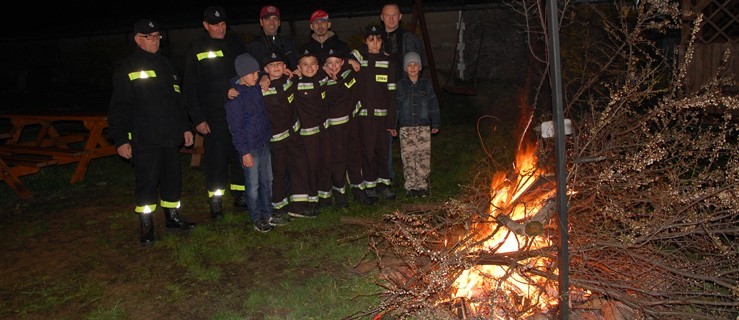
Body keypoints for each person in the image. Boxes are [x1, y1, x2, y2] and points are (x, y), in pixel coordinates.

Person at [108, 18, 195, 246]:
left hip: (170, 137)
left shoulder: (167, 65)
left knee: (172, 179)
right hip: (144, 138)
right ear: (138, 39)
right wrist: (120, 138)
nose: (155, 40)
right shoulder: (127, 67)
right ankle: (146, 226)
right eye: (149, 37)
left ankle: (173, 218)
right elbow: (119, 107)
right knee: (146, 183)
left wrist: (185, 126)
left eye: (157, 36)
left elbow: (179, 101)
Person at [183, 5, 248, 221]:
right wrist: (198, 118)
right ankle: (216, 200)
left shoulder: (236, 43)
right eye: (214, 24)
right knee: (217, 160)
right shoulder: (197, 49)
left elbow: (249, 73)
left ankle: (240, 195)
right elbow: (190, 87)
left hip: (238, 113)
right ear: (205, 25)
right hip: (214, 116)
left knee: (239, 155)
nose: (220, 28)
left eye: (222, 24)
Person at [225, 53, 275, 233]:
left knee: (267, 181)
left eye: (257, 72)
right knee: (253, 185)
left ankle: (268, 212)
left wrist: (263, 77)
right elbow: (236, 129)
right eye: (253, 73)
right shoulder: (235, 99)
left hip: (263, 143)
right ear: (242, 74)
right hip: (249, 148)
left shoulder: (255, 87)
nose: (256, 76)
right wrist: (244, 152)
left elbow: (262, 79)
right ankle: (257, 218)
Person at [349, 25, 397, 202]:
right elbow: (344, 59)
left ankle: (384, 185)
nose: (375, 43)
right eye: (371, 40)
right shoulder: (359, 59)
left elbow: (392, 94)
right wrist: (351, 59)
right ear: (365, 42)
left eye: (378, 39)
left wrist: (391, 121)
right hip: (364, 118)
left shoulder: (388, 61)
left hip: (383, 118)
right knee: (367, 152)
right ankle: (370, 186)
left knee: (383, 151)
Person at [260, 51, 310, 221]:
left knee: (300, 167)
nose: (276, 67)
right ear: (265, 68)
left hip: (294, 136)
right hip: (277, 141)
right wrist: (262, 78)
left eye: (280, 64)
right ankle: (279, 208)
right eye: (272, 65)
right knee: (279, 174)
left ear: (285, 67)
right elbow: (241, 83)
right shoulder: (261, 88)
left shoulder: (289, 81)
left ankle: (299, 206)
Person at [380, 2, 423, 182]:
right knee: (386, 135)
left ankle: (415, 177)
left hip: (405, 93)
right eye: (387, 15)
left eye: (394, 15)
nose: (390, 18)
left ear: (400, 17)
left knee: (411, 136)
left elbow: (416, 68)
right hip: (383, 94)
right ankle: (387, 174)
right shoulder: (376, 39)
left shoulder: (409, 39)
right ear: (382, 17)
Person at [322, 48, 365, 206]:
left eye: (337, 62)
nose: (334, 66)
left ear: (342, 62)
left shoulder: (349, 71)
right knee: (339, 160)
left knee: (354, 156)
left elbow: (359, 52)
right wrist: (322, 69)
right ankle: (340, 193)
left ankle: (358, 189)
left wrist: (348, 60)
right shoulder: (323, 79)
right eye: (329, 63)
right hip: (335, 128)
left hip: (352, 124)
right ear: (325, 65)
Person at [287, 49, 328, 216]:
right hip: (306, 135)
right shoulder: (294, 83)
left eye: (313, 64)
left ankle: (324, 196)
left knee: (323, 164)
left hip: (323, 132)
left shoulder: (323, 78)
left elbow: (342, 64)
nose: (309, 68)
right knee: (310, 167)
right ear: (298, 67)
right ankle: (311, 200)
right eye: (305, 65)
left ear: (318, 66)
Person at [396, 52, 440, 197]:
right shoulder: (401, 86)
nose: (413, 67)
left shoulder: (426, 85)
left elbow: (433, 104)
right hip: (406, 128)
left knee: (423, 157)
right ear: (405, 68)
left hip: (423, 128)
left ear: (420, 67)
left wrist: (436, 122)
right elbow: (396, 106)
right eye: (409, 65)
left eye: (415, 64)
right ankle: (410, 187)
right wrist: (392, 124)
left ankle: (422, 185)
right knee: (408, 157)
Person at [246, 5, 299, 71]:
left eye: (275, 19)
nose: (272, 23)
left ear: (279, 22)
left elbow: (296, 66)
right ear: (261, 22)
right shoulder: (253, 47)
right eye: (268, 19)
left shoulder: (288, 43)